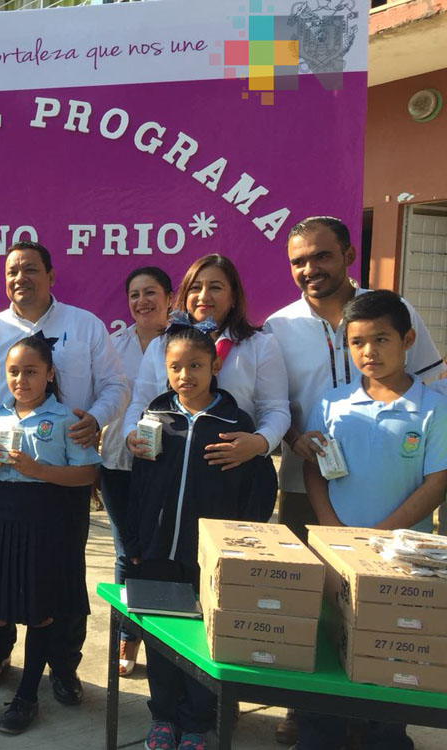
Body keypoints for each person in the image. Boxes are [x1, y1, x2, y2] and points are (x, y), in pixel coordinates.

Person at [263, 217, 445, 745]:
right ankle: (310, 712)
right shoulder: (279, 327)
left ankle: (380, 721)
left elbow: (431, 385)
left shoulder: (392, 307)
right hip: (313, 493)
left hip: (398, 500)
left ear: (347, 254)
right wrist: (297, 441)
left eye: (321, 256)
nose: (310, 269)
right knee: (319, 609)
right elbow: (276, 403)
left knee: (388, 623)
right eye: (299, 261)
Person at [0, 240, 128, 705]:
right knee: (8, 573)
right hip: (7, 480)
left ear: (51, 275)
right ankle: (0, 656)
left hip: (63, 480)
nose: (20, 278)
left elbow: (115, 383)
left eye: (31, 269)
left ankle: (63, 667)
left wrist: (95, 416)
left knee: (61, 577)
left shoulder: (85, 324)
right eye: (12, 271)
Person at [298, 291, 447, 750]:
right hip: (335, 552)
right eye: (358, 342)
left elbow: (436, 482)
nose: (369, 352)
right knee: (328, 640)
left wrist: (378, 537)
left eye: (381, 340)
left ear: (407, 340)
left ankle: (385, 735)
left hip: (400, 558)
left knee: (393, 645)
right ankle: (319, 735)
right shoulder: (332, 404)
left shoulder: (433, 408)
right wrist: (330, 527)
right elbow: (314, 468)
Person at [125, 318, 275, 750]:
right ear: (166, 370)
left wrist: (241, 544)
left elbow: (258, 489)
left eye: (195, 366)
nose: (185, 376)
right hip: (158, 553)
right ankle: (164, 717)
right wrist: (136, 543)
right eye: (176, 367)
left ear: (214, 368)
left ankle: (197, 721)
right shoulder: (156, 418)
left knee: (206, 638)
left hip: (211, 559)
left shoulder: (233, 422)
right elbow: (139, 487)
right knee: (161, 636)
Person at [0, 336, 100, 736]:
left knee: (40, 613)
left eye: (31, 371)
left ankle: (27, 696)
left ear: (50, 374)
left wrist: (41, 471)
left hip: (47, 528)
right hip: (4, 523)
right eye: (13, 371)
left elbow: (87, 474)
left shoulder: (67, 419)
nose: (21, 379)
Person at [123, 254, 288, 520]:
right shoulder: (161, 346)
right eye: (195, 288)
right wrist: (130, 433)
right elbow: (140, 402)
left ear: (234, 296)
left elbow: (276, 409)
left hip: (235, 475)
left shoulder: (260, 346)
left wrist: (259, 443)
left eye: (215, 287)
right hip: (171, 471)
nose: (203, 296)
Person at [99, 266, 173, 678]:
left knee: (159, 552)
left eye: (151, 293)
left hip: (165, 466)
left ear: (169, 297)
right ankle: (127, 635)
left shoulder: (182, 342)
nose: (142, 302)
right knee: (128, 552)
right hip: (117, 463)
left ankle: (163, 638)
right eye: (134, 295)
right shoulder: (115, 344)